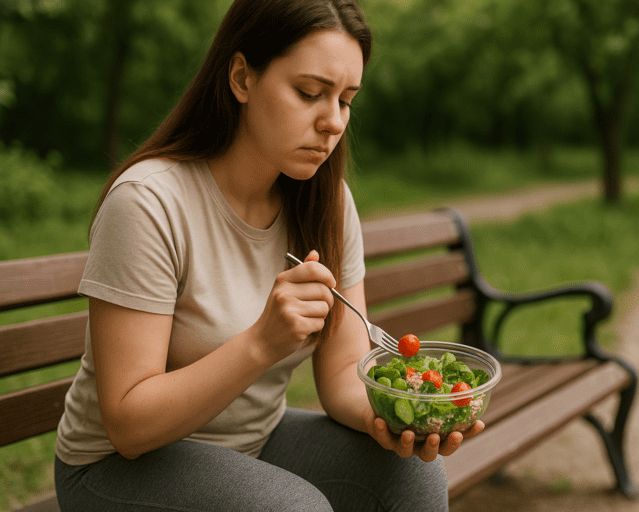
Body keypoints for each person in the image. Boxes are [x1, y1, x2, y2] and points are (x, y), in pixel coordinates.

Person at [54, 1, 483, 510]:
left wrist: (397, 418)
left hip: (254, 443)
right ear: (241, 78)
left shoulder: (328, 202)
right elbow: (128, 422)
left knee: (412, 476)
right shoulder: (149, 203)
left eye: (346, 100)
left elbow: (347, 367)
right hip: (117, 468)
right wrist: (262, 342)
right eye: (309, 93)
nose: (332, 123)